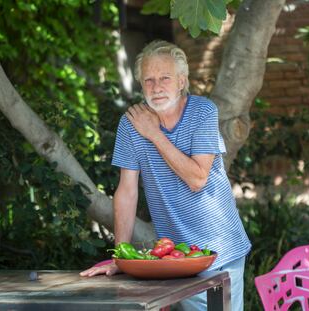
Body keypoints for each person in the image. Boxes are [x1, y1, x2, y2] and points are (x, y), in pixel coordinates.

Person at [80, 40, 251, 311]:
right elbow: (127, 191)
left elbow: (197, 179)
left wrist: (155, 134)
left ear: (181, 81)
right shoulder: (130, 124)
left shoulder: (202, 112)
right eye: (148, 80)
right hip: (175, 254)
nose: (156, 87)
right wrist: (121, 256)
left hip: (220, 246)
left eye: (164, 78)